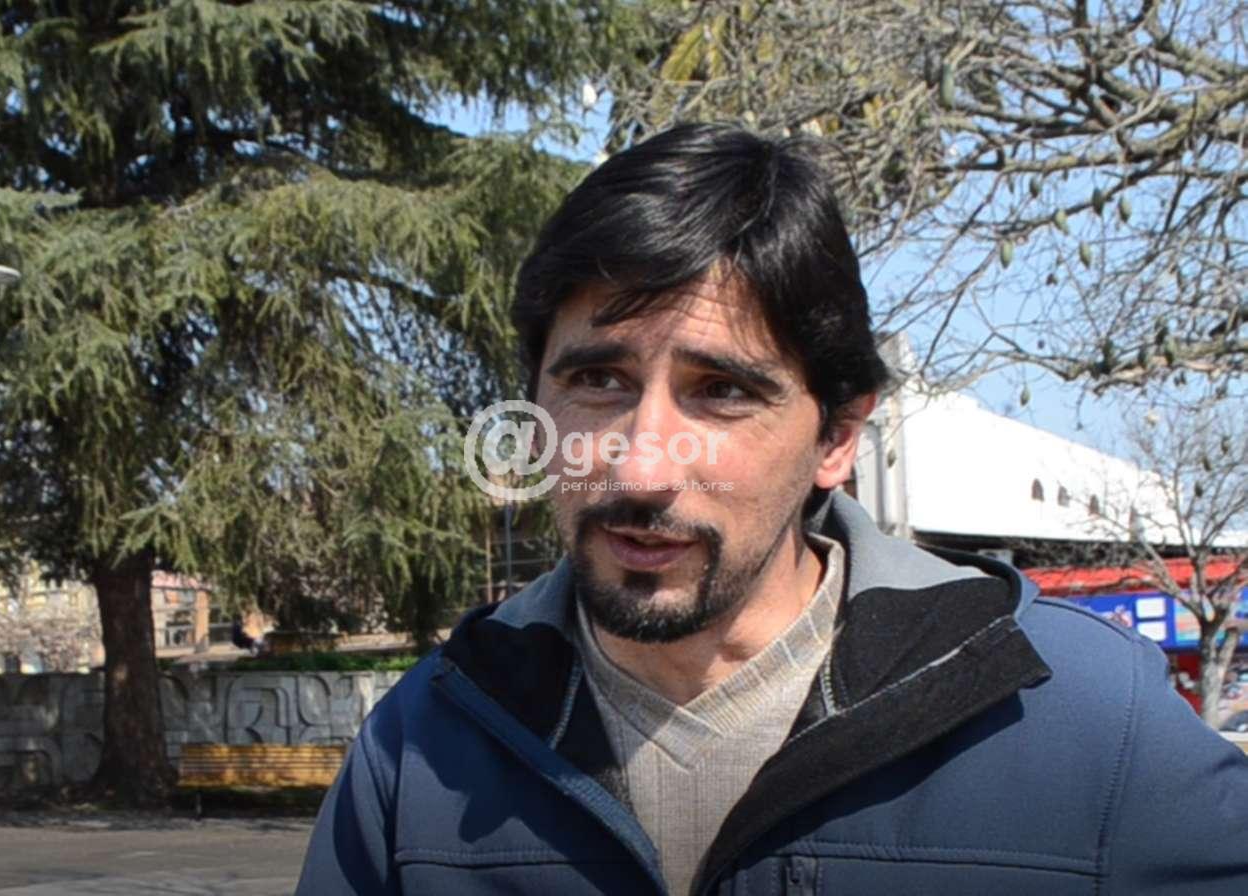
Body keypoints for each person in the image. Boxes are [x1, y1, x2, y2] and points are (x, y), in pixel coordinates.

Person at [297, 124, 1248, 895]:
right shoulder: (423, 747)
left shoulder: (1083, 723)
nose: (642, 466)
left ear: (837, 436)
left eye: (721, 392)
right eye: (597, 380)